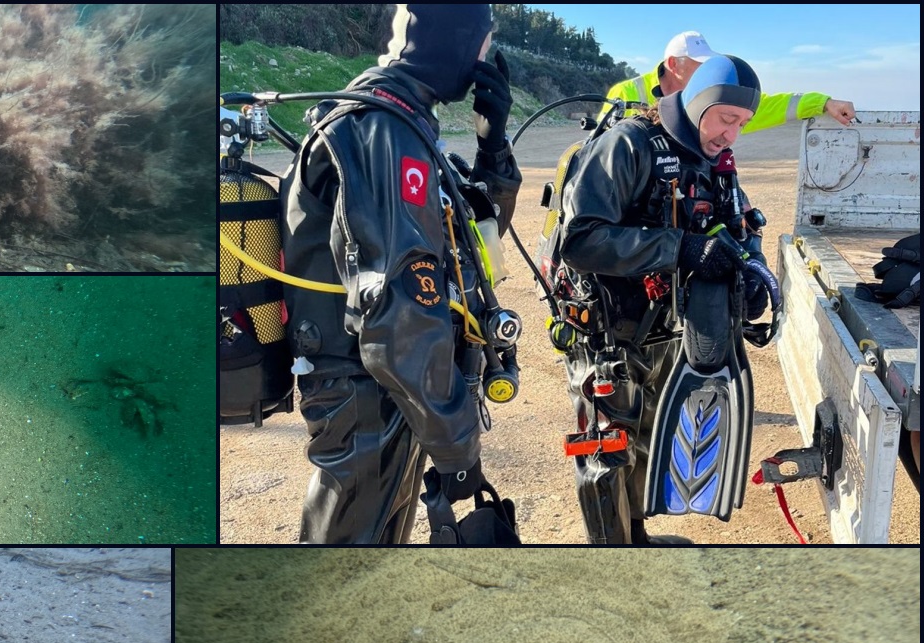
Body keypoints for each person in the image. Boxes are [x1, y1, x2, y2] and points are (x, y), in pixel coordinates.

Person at [281, 4, 521, 544]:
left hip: (390, 391)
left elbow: (474, 245)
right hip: (370, 393)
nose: (487, 57)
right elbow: (399, 314)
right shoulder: (382, 128)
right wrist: (457, 444)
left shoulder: (404, 124)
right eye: (483, 41)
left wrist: (493, 147)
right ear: (454, 40)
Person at [558, 54, 771, 544]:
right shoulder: (629, 145)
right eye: (726, 118)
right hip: (605, 331)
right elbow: (581, 239)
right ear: (698, 103)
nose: (731, 135)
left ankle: (636, 538)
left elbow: (737, 223)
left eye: (742, 124)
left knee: (650, 437)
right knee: (605, 449)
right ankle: (612, 561)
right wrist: (681, 248)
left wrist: (750, 272)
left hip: (662, 327)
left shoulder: (715, 159)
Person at [601, 31, 856, 131]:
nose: (707, 72)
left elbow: (767, 106)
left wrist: (822, 103)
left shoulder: (709, 94)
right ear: (672, 64)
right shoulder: (627, 91)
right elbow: (601, 147)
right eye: (699, 65)